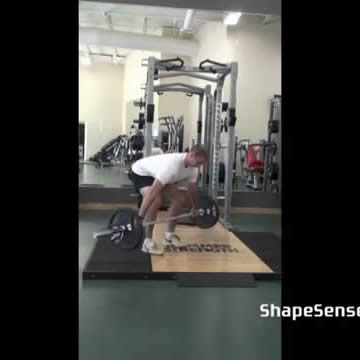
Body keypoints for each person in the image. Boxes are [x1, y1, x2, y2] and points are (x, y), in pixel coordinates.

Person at [128, 145, 208, 255]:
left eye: (202, 163)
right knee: (156, 201)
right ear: (191, 155)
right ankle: (147, 241)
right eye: (199, 162)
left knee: (179, 199)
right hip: (141, 173)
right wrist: (140, 216)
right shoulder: (172, 166)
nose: (200, 166)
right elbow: (152, 193)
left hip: (157, 173)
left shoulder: (193, 169)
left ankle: (169, 236)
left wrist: (194, 208)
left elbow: (192, 190)